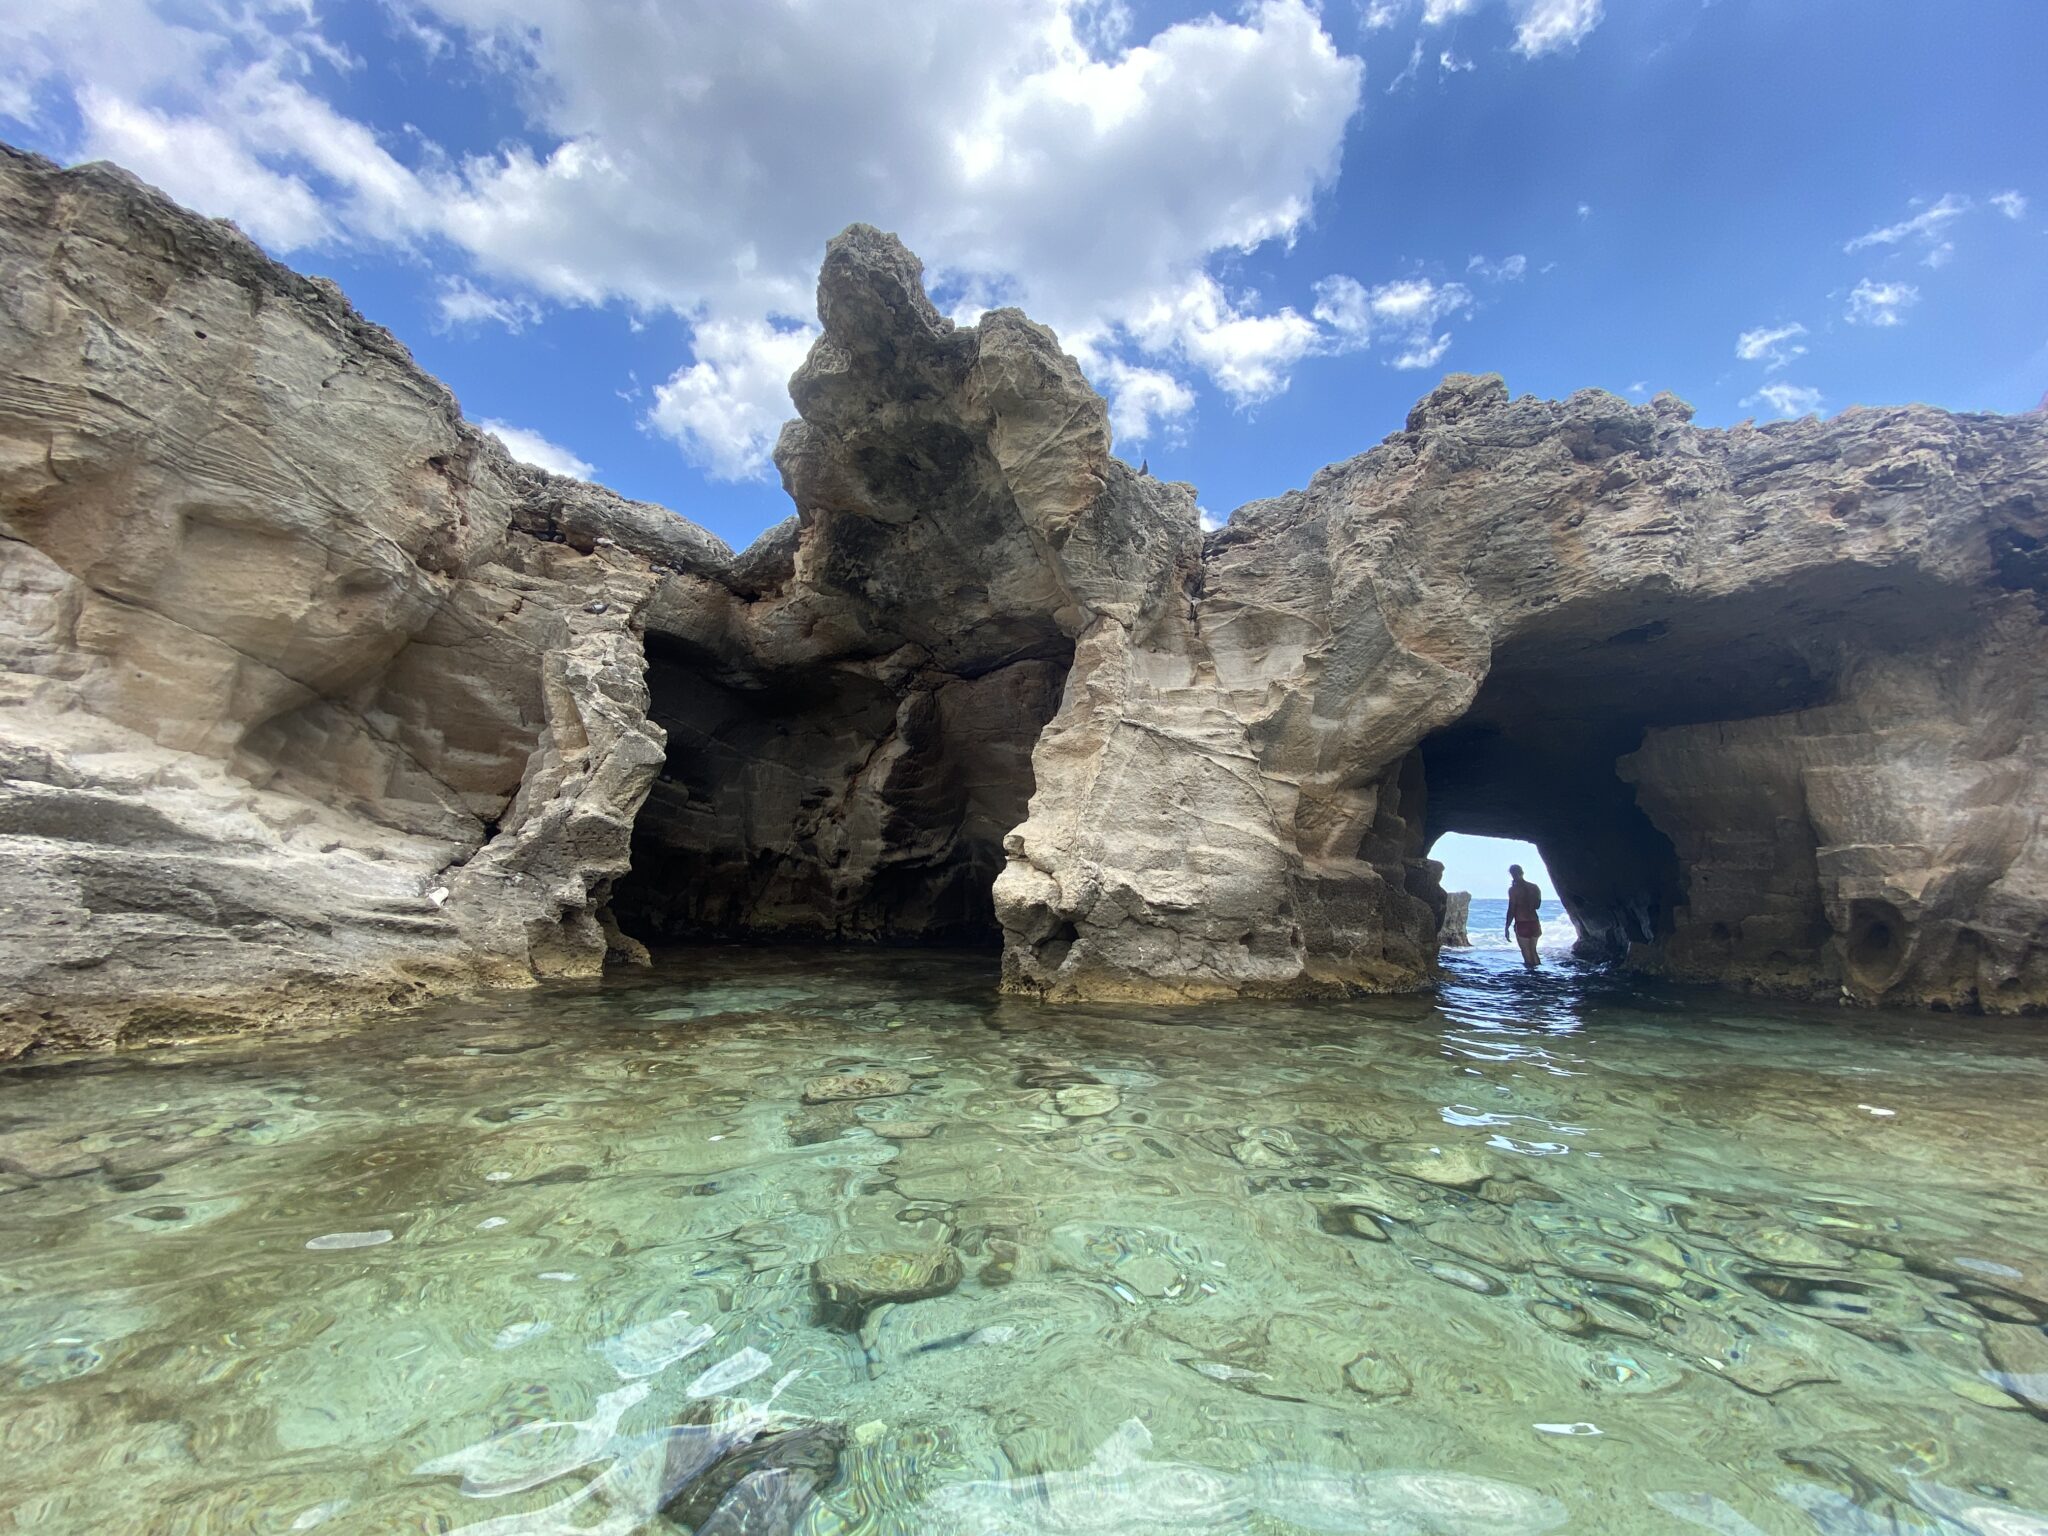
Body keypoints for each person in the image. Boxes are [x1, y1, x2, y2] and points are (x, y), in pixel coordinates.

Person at [1505, 863, 1543, 969]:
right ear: (1522, 873)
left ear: (1512, 874)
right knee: (1534, 951)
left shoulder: (1513, 890)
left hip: (1522, 923)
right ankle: (1539, 976)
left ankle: (1530, 980)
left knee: (1526, 954)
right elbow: (1538, 906)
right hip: (1535, 922)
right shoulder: (1534, 887)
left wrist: (1507, 926)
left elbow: (1511, 909)